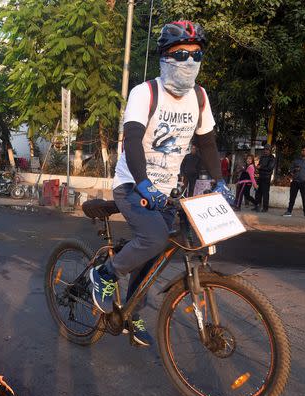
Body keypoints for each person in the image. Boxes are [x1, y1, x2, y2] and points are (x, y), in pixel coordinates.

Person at [90, 20, 231, 348]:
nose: (190, 62)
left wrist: (221, 182)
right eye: (181, 55)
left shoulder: (199, 97)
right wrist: (143, 184)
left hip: (167, 192)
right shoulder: (145, 92)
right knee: (153, 238)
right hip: (132, 185)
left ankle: (131, 309)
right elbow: (133, 140)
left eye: (196, 56)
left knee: (155, 255)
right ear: (165, 58)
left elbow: (207, 143)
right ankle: (106, 273)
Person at [284, 145, 305, 218]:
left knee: (304, 198)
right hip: (295, 181)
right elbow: (291, 170)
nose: (304, 152)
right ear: (301, 151)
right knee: (292, 198)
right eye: (303, 150)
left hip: (304, 182)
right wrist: (295, 170)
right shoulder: (296, 160)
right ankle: (289, 211)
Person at [255, 144, 275, 212]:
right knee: (258, 193)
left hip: (266, 177)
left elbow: (270, 168)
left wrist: (260, 167)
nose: (265, 151)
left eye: (267, 149)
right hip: (260, 176)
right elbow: (259, 164)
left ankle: (265, 208)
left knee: (265, 193)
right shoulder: (262, 157)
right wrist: (257, 167)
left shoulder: (272, 158)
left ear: (270, 150)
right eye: (265, 149)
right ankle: (257, 206)